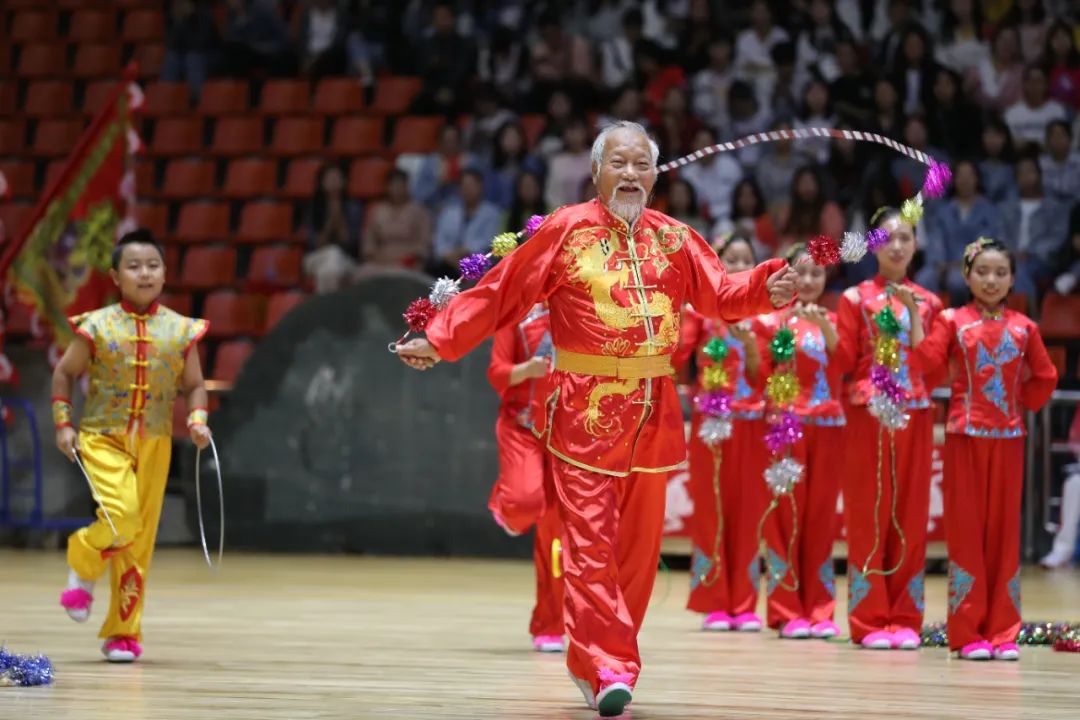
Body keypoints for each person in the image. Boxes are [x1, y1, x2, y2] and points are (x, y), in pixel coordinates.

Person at [396, 121, 796, 717]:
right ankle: (606, 664)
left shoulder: (676, 239)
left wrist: (768, 284)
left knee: (637, 554)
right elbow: (502, 292)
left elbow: (720, 294)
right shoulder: (566, 230)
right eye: (619, 164)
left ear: (656, 176)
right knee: (587, 548)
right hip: (582, 413)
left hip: (655, 415)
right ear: (596, 172)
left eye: (641, 165)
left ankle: (606, 658)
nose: (630, 175)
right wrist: (439, 335)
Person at [53, 230, 211, 663]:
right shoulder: (97, 325)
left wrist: (198, 421)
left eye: (153, 265)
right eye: (134, 266)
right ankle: (83, 557)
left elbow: (195, 386)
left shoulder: (181, 330)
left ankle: (124, 632)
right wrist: (63, 424)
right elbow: (64, 375)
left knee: (139, 541)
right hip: (103, 437)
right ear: (115, 276)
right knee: (121, 516)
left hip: (156, 441)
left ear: (164, 274)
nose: (145, 273)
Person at [910, 238, 1057, 660]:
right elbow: (927, 362)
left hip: (1008, 439)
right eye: (982, 272)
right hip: (964, 436)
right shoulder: (953, 320)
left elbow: (1045, 377)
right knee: (966, 533)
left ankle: (1003, 632)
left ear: (1012, 278)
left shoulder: (1025, 327)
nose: (991, 280)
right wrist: (915, 322)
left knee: (1004, 535)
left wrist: (1018, 406)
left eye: (1000, 273)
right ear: (967, 275)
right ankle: (968, 632)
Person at [835, 208, 943, 650]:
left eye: (906, 237)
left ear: (916, 244)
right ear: (873, 244)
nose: (897, 245)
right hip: (868, 415)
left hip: (914, 414)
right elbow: (841, 363)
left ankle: (905, 617)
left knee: (910, 516)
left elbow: (935, 369)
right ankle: (869, 618)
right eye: (888, 237)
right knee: (868, 514)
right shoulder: (854, 298)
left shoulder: (931, 303)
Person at [673, 233, 769, 634]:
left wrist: (748, 348)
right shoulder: (701, 314)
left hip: (751, 423)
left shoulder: (765, 316)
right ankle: (715, 599)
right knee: (712, 512)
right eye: (731, 257)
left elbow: (764, 378)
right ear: (718, 263)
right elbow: (678, 358)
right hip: (712, 425)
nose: (738, 264)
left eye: (746, 258)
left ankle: (744, 602)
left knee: (748, 514)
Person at [759, 243, 847, 640]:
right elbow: (759, 370)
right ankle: (785, 608)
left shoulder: (835, 318)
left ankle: (821, 609)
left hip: (826, 425)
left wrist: (826, 328)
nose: (809, 280)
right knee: (785, 518)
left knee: (821, 518)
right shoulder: (772, 320)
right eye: (801, 273)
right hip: (785, 425)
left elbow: (845, 363)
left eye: (817, 273)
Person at [486, 303, 564, 653]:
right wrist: (528, 370)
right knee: (524, 503)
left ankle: (551, 625)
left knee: (558, 540)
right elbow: (497, 372)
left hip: (565, 438)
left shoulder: (583, 307)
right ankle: (505, 498)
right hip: (522, 428)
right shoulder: (515, 316)